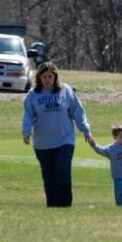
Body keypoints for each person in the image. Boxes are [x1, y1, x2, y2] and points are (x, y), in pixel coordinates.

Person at [22, 62, 93, 207]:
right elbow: (28, 115)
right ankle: (52, 206)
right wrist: (26, 131)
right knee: (49, 177)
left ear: (55, 77)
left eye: (50, 76)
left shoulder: (65, 91)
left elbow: (77, 111)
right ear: (39, 78)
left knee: (63, 171)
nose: (47, 80)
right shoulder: (33, 95)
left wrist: (85, 129)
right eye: (44, 77)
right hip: (43, 143)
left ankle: (65, 205)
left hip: (64, 140)